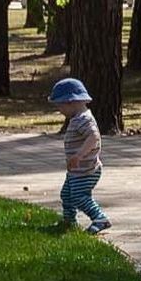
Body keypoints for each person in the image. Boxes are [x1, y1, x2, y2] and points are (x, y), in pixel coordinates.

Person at [50, 78, 111, 234]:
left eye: (60, 106)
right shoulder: (77, 118)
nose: (59, 110)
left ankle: (100, 218)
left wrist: (79, 155)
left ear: (70, 102)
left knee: (79, 196)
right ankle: (69, 220)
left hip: (86, 170)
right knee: (67, 195)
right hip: (77, 170)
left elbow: (94, 137)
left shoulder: (84, 119)